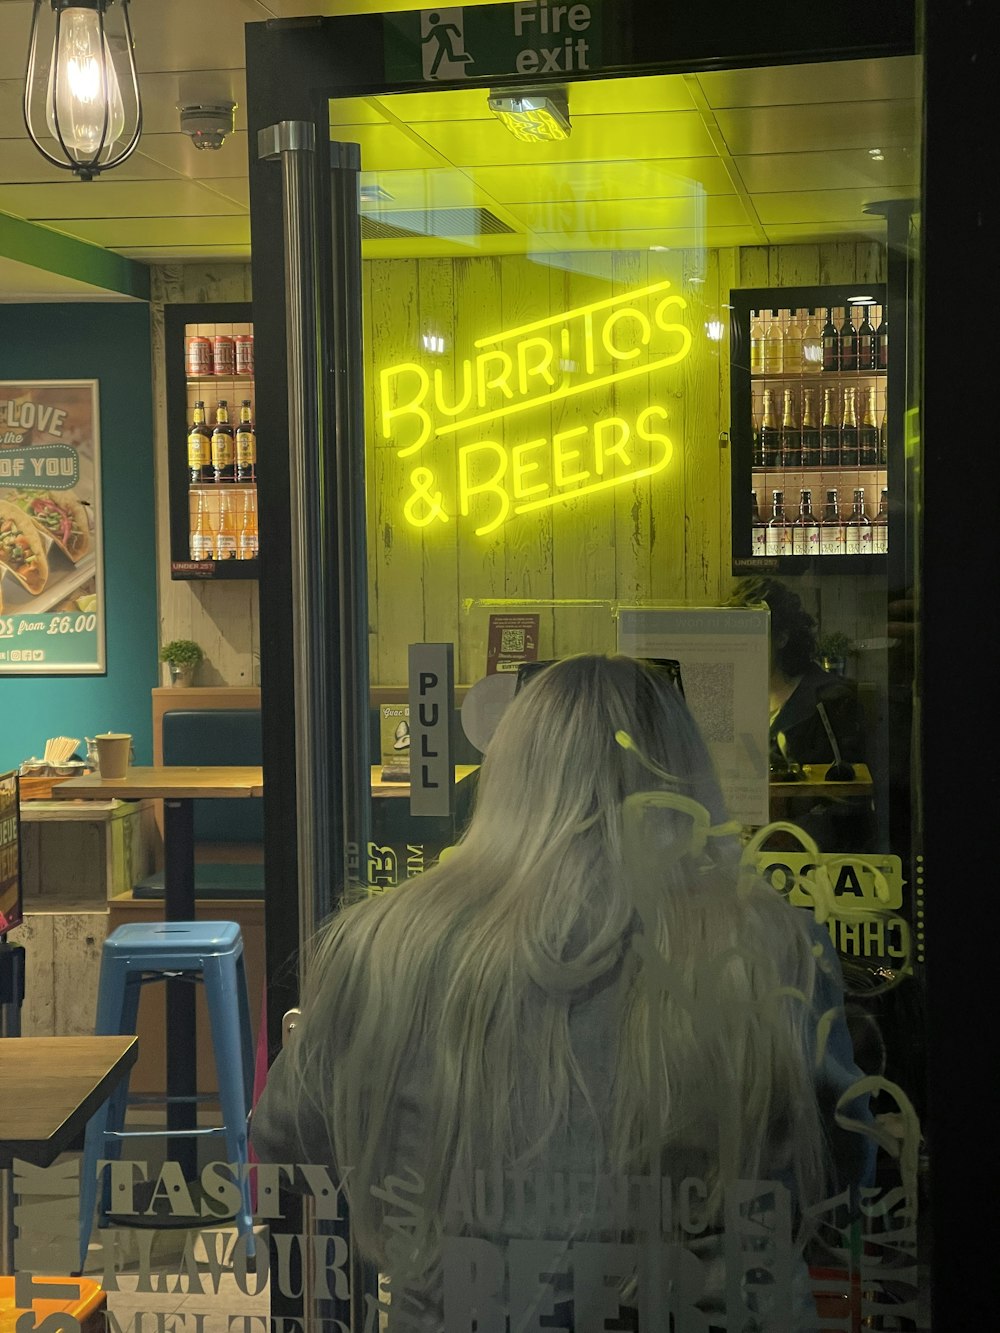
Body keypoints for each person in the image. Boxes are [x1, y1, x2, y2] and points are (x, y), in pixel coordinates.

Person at [251, 654, 874, 1330]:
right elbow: (838, 1179)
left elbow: (291, 1143)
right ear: (689, 779)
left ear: (507, 775)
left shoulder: (383, 946)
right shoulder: (768, 946)